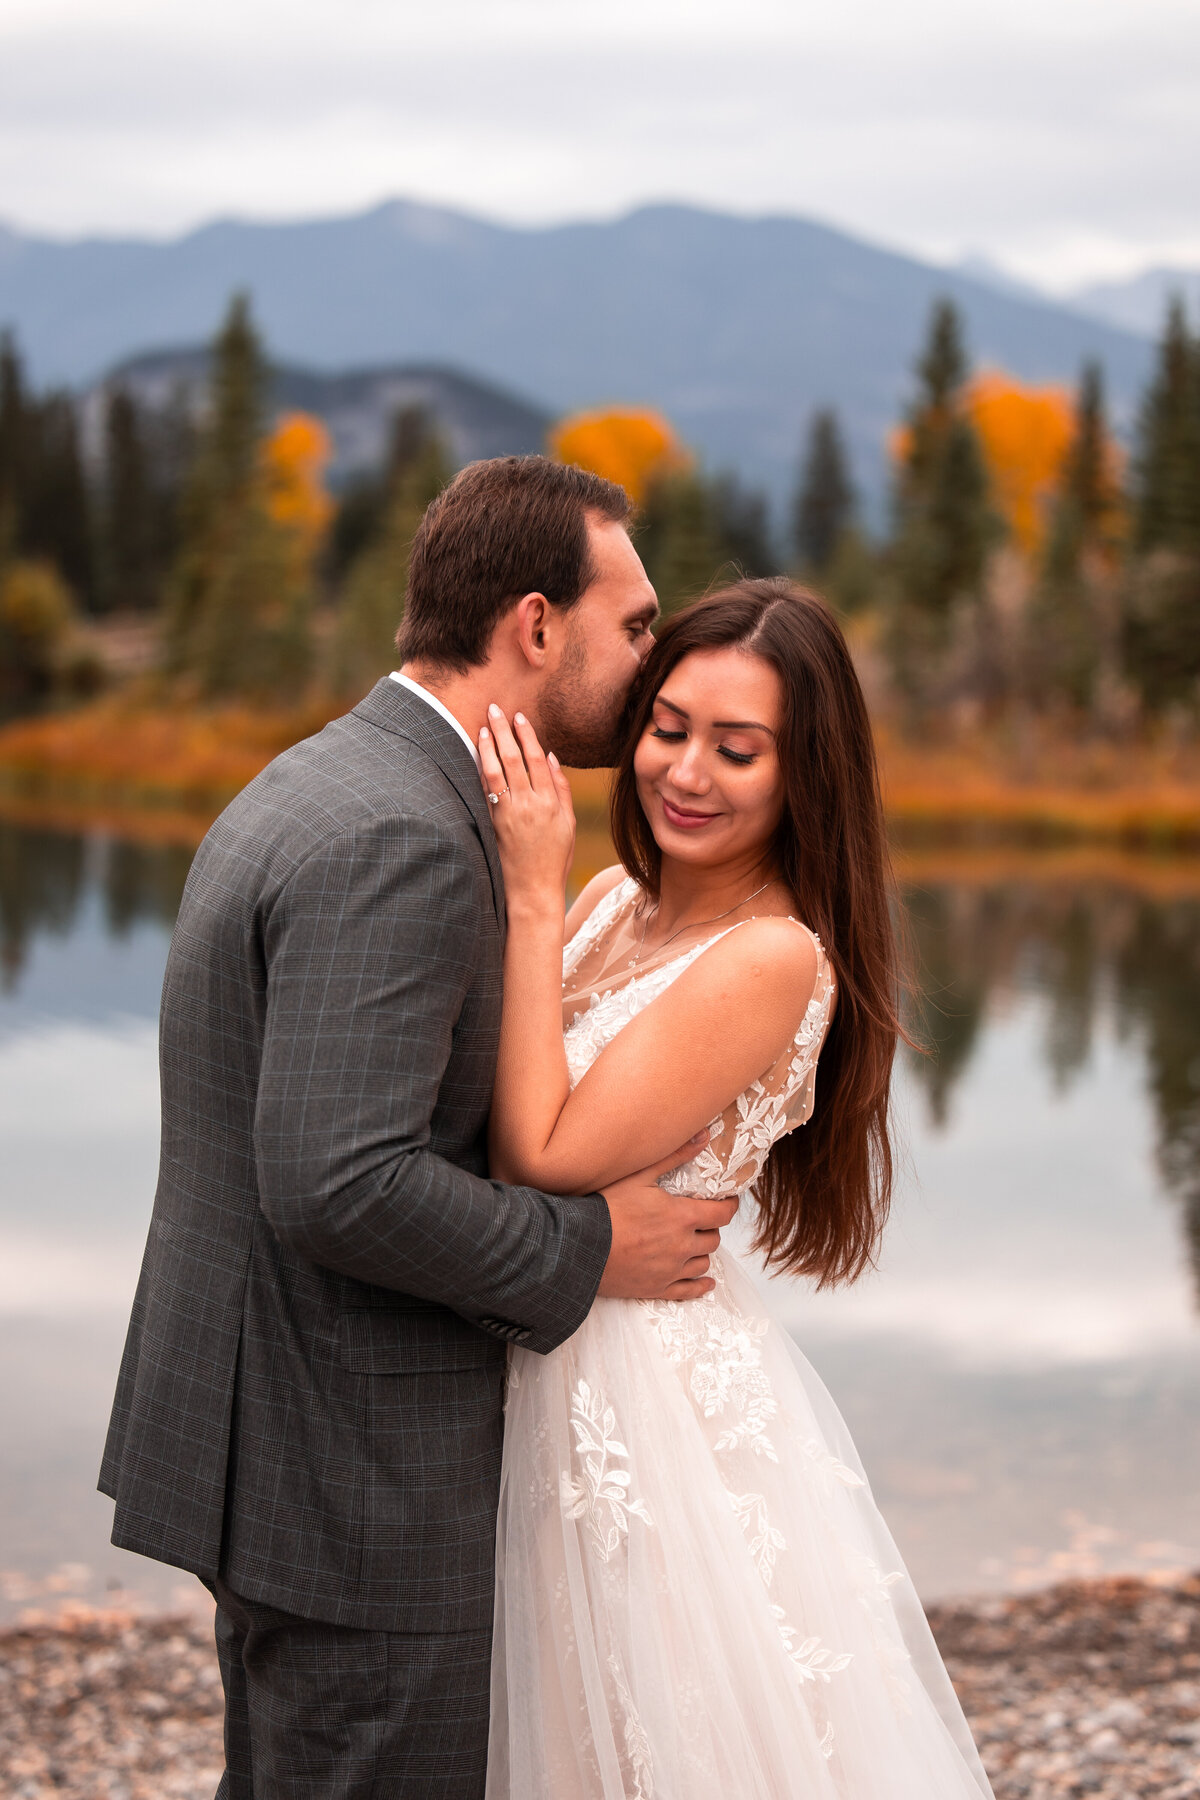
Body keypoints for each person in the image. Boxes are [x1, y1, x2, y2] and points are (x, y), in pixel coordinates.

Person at [99, 457, 739, 1800]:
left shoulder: (332, 779)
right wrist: (587, 1248)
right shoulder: (406, 834)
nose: (650, 662)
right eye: (633, 627)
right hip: (356, 1480)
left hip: (284, 1442)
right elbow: (338, 1180)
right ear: (535, 625)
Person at [478, 578, 996, 1798]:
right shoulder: (616, 904)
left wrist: (528, 885)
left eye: (738, 748)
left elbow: (541, 1153)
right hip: (540, 1337)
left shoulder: (770, 953)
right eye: (669, 729)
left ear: (803, 773)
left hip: (633, 1393)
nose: (687, 773)